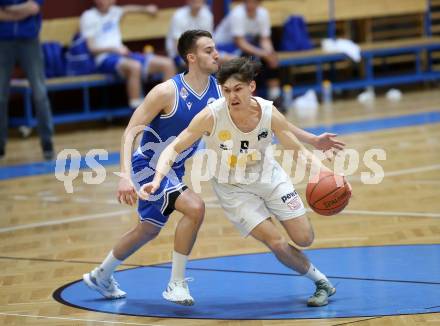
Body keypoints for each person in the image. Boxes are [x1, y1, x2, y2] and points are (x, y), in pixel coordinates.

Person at [141, 57, 349, 307]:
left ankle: (316, 273)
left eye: (237, 89)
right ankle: (322, 282)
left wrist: (328, 175)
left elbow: (298, 152)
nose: (232, 96)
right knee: (276, 243)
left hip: (270, 179)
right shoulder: (210, 116)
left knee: (304, 238)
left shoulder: (269, 113)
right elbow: (173, 148)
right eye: (226, 91)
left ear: (251, 87)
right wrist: (157, 179)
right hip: (233, 190)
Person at [82, 30, 222, 306]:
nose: (216, 54)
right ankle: (176, 284)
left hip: (175, 169)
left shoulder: (218, 91)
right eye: (208, 50)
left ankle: (101, 274)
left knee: (147, 230)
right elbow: (130, 132)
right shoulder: (166, 91)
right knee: (195, 208)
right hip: (147, 166)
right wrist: (124, 176)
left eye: (215, 48)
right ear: (191, 58)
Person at [80, 0, 176, 109]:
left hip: (124, 55)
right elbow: (91, 48)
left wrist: (146, 9)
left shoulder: (114, 11)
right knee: (134, 67)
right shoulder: (88, 16)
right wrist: (114, 49)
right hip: (104, 58)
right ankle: (137, 115)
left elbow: (129, 8)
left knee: (167, 64)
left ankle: (168, 109)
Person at [0, 0, 54, 160]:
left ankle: (47, 143)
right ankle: (1, 146)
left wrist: (8, 10)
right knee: (1, 96)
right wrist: (21, 12)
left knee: (39, 93)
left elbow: (33, 7)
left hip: (29, 41)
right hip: (3, 42)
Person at [214, 0, 282, 109]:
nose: (251, 3)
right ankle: (248, 98)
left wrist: (270, 53)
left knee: (270, 59)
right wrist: (263, 53)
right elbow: (240, 42)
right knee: (246, 62)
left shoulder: (263, 13)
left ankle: (275, 96)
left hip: (245, 47)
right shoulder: (238, 14)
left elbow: (265, 39)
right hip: (224, 47)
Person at [166, 0, 213, 67]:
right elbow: (177, 46)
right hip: (178, 54)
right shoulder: (179, 16)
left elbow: (208, 41)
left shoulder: (207, 15)